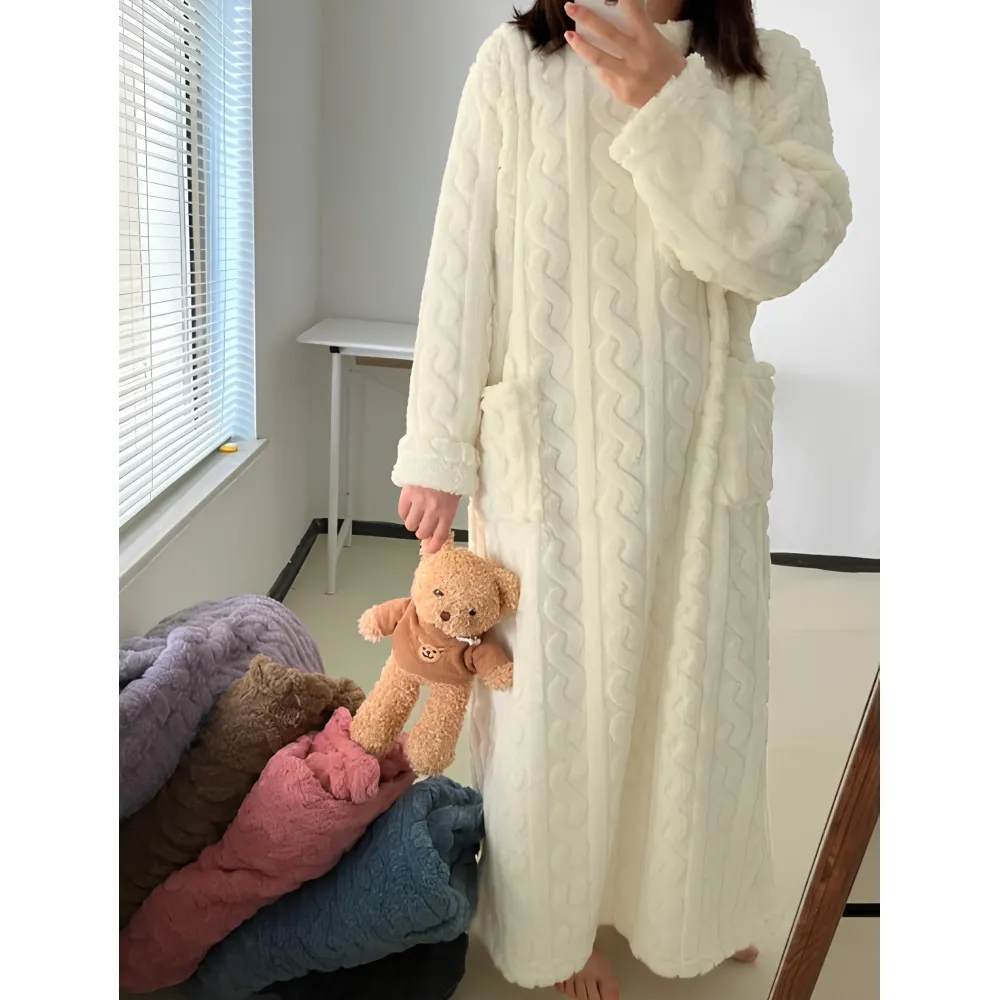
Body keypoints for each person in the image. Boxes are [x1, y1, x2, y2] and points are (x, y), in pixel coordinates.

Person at [392, 1, 851, 997]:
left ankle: (692, 904)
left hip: (700, 459)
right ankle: (554, 925)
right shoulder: (516, 65)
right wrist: (435, 446)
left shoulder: (770, 70)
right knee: (555, 704)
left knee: (695, 698)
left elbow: (787, 245)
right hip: (553, 458)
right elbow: (462, 260)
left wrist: (669, 100)